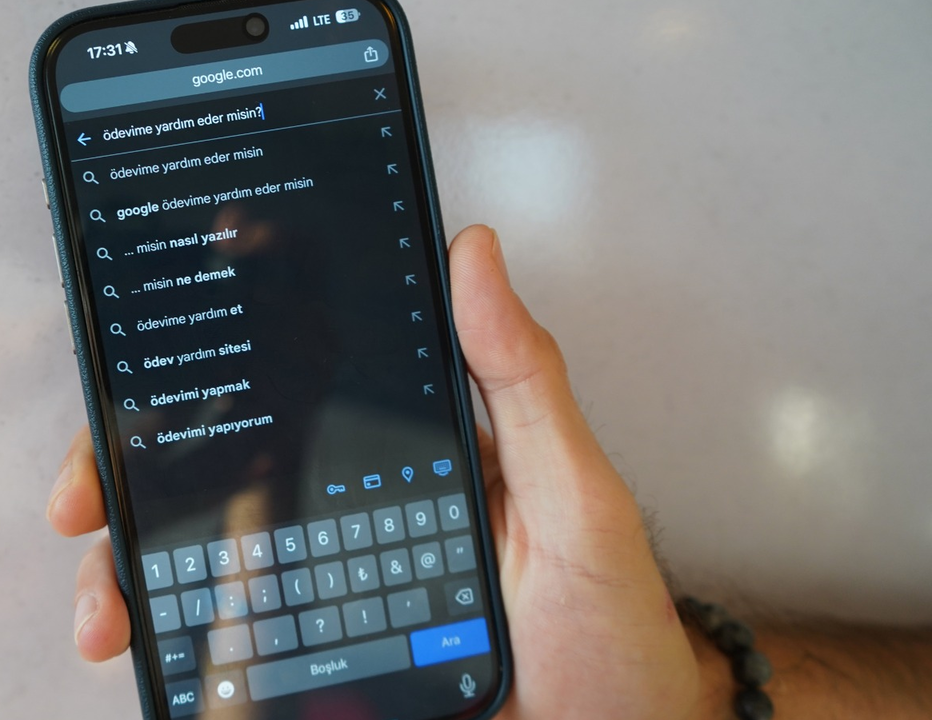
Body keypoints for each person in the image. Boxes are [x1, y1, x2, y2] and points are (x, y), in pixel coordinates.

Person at [46, 225, 932, 719]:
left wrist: (694, 697)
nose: (253, 311)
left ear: (322, 320)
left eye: (273, 281)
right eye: (230, 285)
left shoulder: (443, 497)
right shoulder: (177, 480)